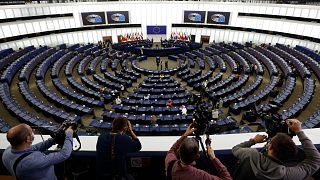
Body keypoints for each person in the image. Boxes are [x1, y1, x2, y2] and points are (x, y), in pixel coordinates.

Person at [232, 119, 320, 180]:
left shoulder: (250, 154)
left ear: (269, 147)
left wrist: (253, 141)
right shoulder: (288, 175)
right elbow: (315, 160)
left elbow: (235, 149)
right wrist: (299, 131)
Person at [2, 124, 73, 180]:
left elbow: (33, 148)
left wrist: (53, 140)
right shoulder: (32, 160)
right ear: (28, 138)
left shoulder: (7, 151)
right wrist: (69, 133)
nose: (33, 133)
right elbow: (64, 154)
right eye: (31, 132)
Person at [165, 123, 232, 180]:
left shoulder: (169, 162)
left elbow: (172, 150)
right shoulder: (199, 175)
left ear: (179, 151)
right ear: (197, 156)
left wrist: (185, 135)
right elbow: (227, 178)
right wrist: (214, 158)